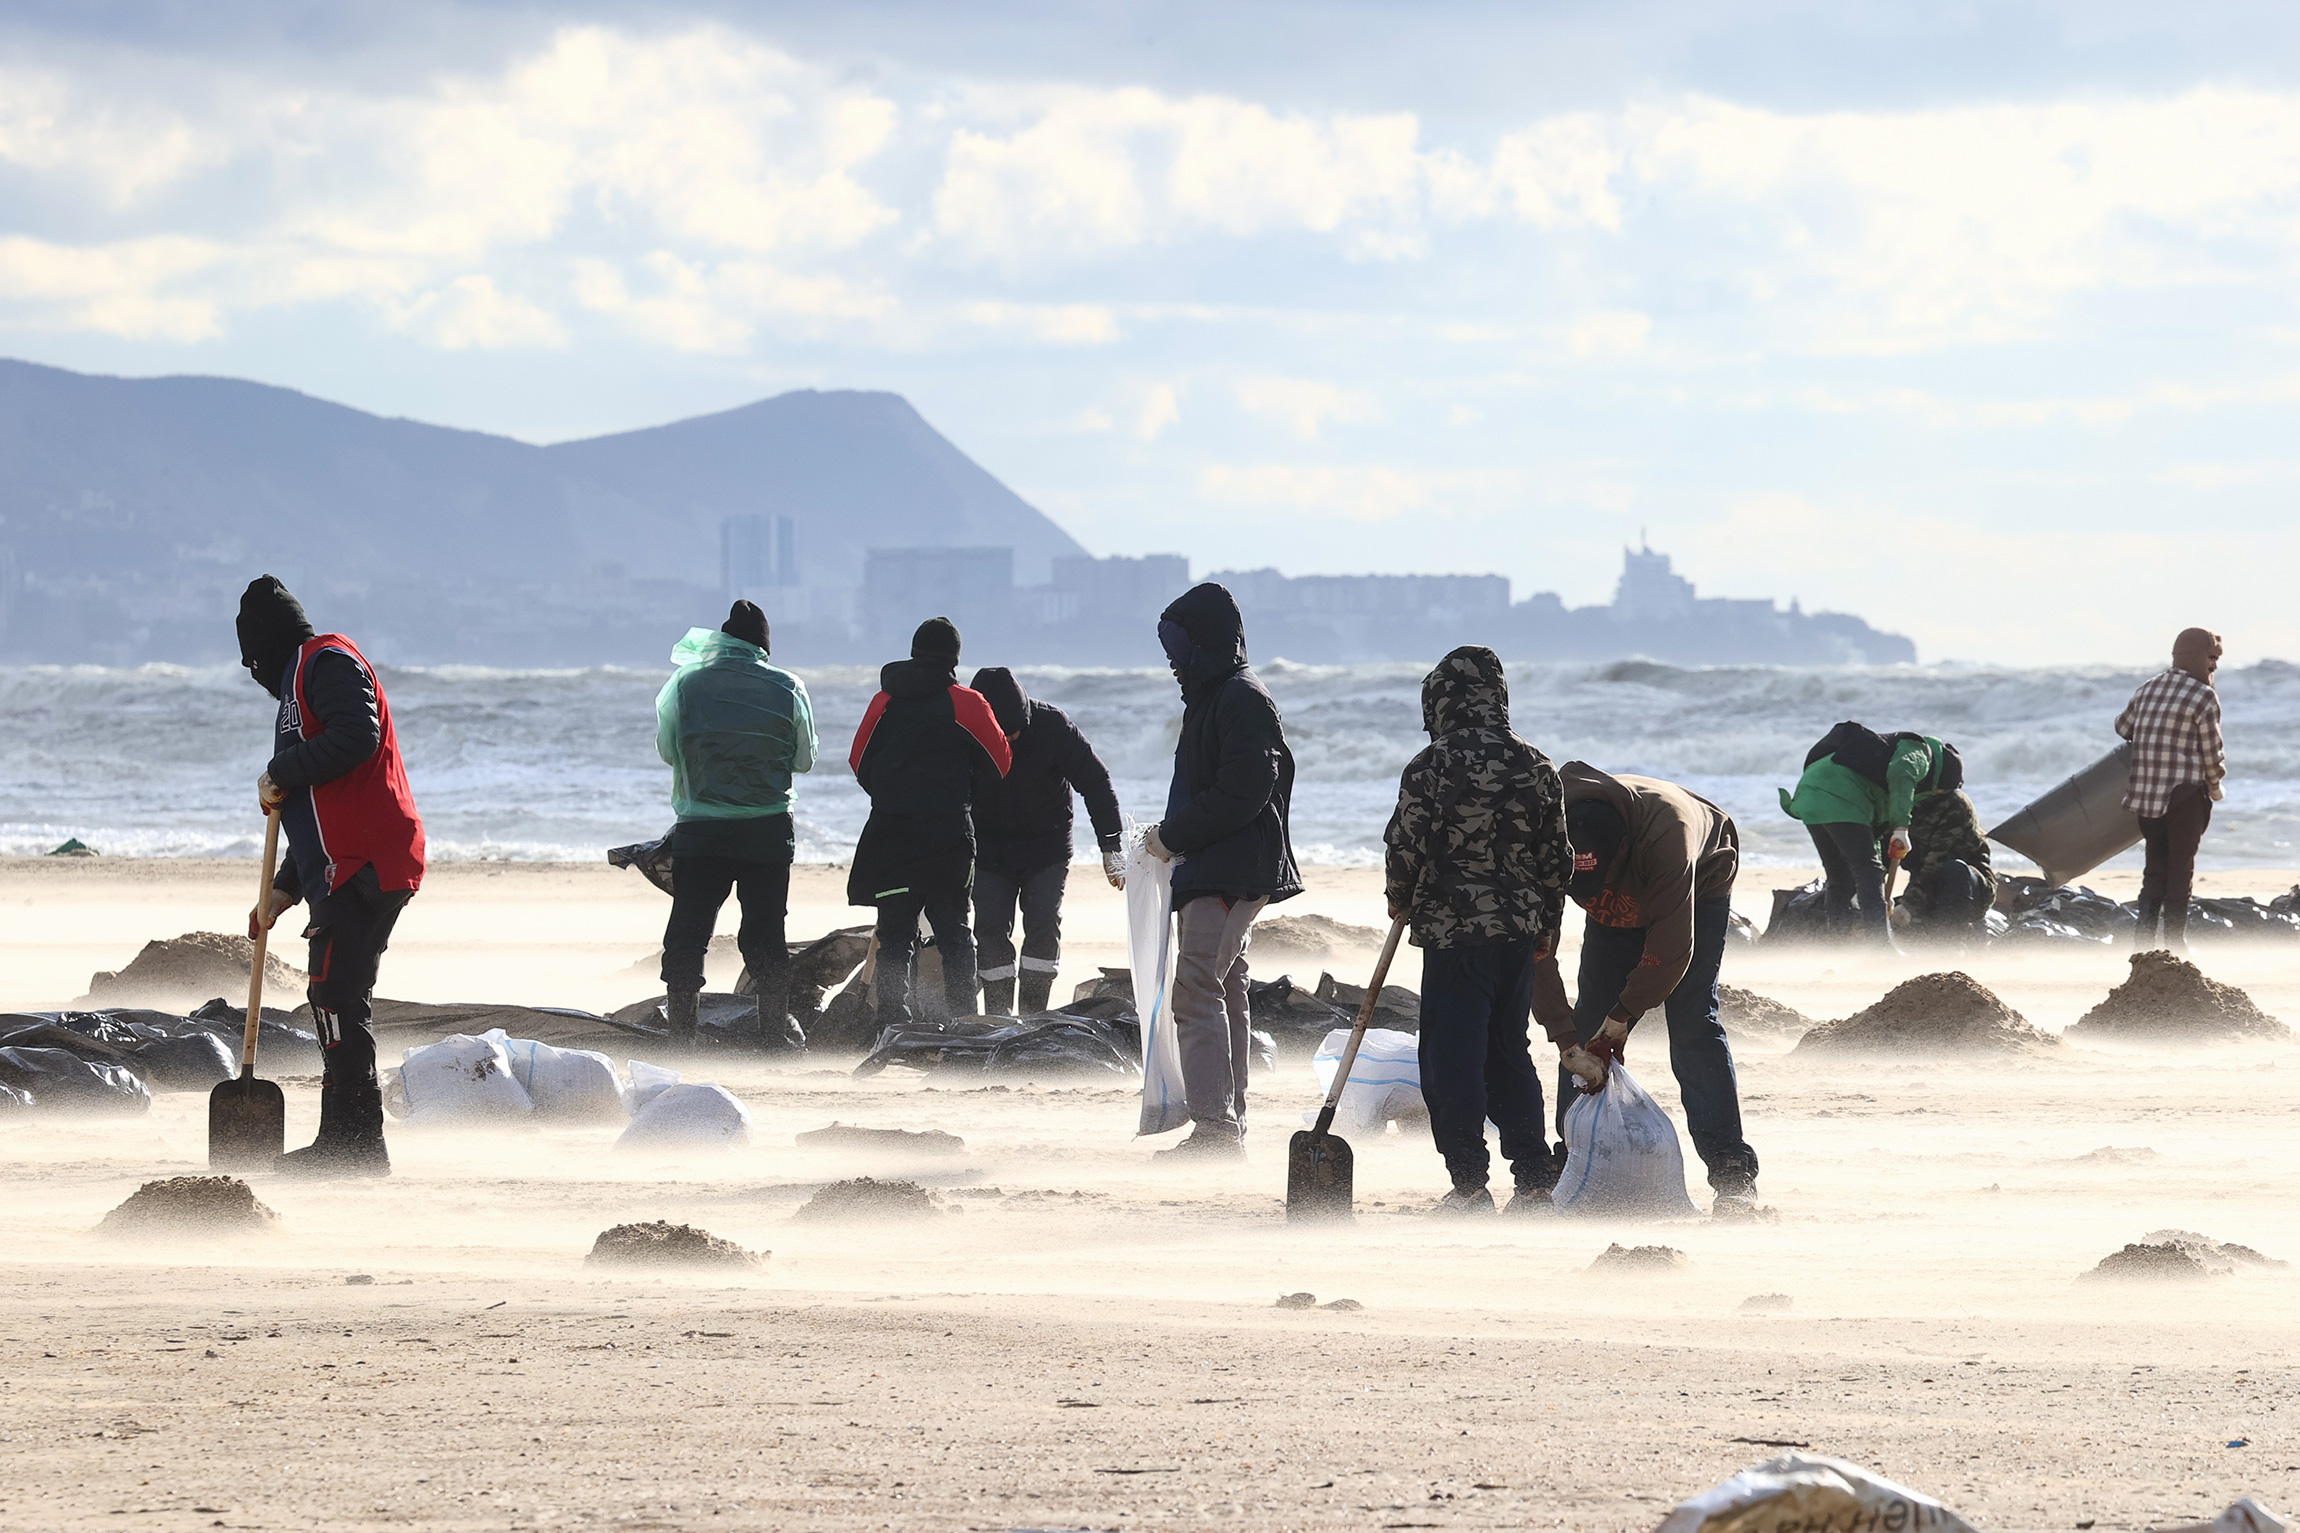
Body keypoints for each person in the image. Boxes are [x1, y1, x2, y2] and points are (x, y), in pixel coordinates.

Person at [238, 575, 425, 1178]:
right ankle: (347, 1138)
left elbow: (357, 735)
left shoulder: (327, 662)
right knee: (335, 993)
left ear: (264, 647)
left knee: (335, 994)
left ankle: (354, 1144)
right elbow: (318, 814)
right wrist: (284, 892)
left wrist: (282, 768)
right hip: (339, 864)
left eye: (253, 661)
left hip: (369, 863)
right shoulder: (295, 689)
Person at [1381, 646, 1571, 1216]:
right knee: (1507, 1049)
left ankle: (1468, 1184)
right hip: (1516, 933)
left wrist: (1399, 900)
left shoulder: (1431, 764)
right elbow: (1555, 859)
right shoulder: (1536, 764)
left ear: (1441, 701)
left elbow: (1405, 844)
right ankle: (1534, 1177)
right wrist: (1547, 930)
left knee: (1450, 1057)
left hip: (1452, 932)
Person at [1541, 762, 1761, 1212]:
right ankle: (1571, 1157)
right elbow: (1537, 949)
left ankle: (1731, 1170)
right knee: (1587, 1027)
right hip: (1618, 902)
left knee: (1693, 1020)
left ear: (1621, 852)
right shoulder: (1544, 829)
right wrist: (1567, 1040)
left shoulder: (1667, 835)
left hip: (1699, 880)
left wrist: (1621, 1018)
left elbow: (1671, 949)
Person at [1142, 582, 1299, 1160]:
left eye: (1177, 652)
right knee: (1224, 986)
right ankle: (1226, 1123)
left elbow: (1246, 788)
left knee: (1196, 986)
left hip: (1230, 871)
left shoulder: (1240, 698)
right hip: (1218, 867)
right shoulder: (1217, 695)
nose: (1172, 665)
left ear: (1203, 644)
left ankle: (1214, 1130)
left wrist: (1171, 837)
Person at [654, 600, 817, 1046]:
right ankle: (771, 1037)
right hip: (766, 832)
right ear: (763, 647)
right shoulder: (788, 686)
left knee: (689, 930)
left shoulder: (687, 684)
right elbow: (804, 759)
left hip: (701, 831)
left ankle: (681, 1038)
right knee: (766, 931)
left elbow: (668, 751)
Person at [848, 617, 1012, 1028]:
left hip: (891, 833)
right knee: (955, 932)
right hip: (948, 835)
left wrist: (893, 796)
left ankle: (890, 1021)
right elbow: (1000, 762)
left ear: (914, 651)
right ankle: (963, 1022)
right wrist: (964, 793)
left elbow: (858, 760)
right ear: (955, 658)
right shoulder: (967, 702)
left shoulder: (884, 700)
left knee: (895, 933)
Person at [965, 667, 1126, 1015]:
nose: (1009, 741)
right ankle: (997, 1016)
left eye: (1015, 733)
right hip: (988, 850)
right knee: (990, 928)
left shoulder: (1053, 726)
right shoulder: (964, 732)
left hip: (1046, 847)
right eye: (1001, 735)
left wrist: (1110, 846)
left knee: (1042, 923)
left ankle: (1034, 1015)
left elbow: (1096, 782)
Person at [1778, 723, 1950, 944]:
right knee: (1866, 871)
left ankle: (1837, 945)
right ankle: (1881, 947)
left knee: (1840, 877)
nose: (1936, 794)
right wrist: (1901, 827)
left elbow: (1871, 838)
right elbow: (1902, 772)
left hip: (1810, 795)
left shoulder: (1880, 762)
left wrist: (1877, 896)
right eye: (1940, 790)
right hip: (1840, 794)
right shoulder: (1918, 750)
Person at [2117, 628, 2226, 950]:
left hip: (2145, 798)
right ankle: (2175, 943)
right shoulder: (2203, 696)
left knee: (2155, 869)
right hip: (2184, 798)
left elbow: (2123, 727)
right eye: (2211, 658)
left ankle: (2143, 942)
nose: (2214, 666)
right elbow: (2212, 754)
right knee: (2180, 869)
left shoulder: (2148, 687)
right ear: (2195, 656)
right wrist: (2216, 788)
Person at [1899, 752, 1992, 938]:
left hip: (1967, 887)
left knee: (1953, 869)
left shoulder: (1956, 805)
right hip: (1925, 887)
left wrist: (1909, 905)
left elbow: (1937, 860)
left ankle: (1950, 941)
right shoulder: (1912, 803)